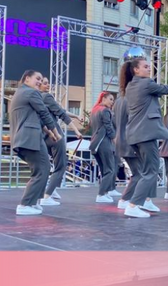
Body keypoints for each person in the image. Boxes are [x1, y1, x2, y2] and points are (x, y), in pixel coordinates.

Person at [121, 57, 168, 218]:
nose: (149, 69)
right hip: (145, 134)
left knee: (147, 170)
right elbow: (163, 88)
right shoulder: (145, 83)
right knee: (151, 171)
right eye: (145, 66)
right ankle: (133, 204)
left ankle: (144, 201)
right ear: (136, 70)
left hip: (136, 134)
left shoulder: (131, 85)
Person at [9, 70, 61, 215]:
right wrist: (56, 133)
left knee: (41, 168)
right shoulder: (32, 93)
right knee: (42, 168)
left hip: (24, 137)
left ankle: (34, 202)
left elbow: (36, 118)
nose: (39, 81)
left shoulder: (20, 93)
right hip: (29, 137)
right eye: (37, 79)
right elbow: (44, 113)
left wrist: (49, 132)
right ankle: (25, 205)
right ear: (27, 78)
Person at [38, 77, 83, 205]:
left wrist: (75, 116)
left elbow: (60, 110)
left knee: (51, 164)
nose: (48, 85)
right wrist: (76, 131)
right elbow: (62, 114)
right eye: (45, 83)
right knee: (61, 165)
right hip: (55, 135)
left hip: (44, 135)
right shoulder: (47, 97)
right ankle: (47, 196)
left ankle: (52, 189)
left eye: (48, 83)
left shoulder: (35, 98)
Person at [114, 90, 141, 210]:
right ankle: (126, 199)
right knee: (139, 173)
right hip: (130, 141)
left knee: (138, 173)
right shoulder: (130, 100)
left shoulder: (118, 101)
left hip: (121, 140)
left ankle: (128, 199)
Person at [90, 91, 116, 204]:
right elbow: (108, 126)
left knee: (104, 169)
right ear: (104, 99)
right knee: (109, 169)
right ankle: (101, 194)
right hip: (103, 142)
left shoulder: (94, 111)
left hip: (95, 143)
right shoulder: (105, 111)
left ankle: (104, 193)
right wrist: (114, 139)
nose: (112, 102)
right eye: (110, 99)